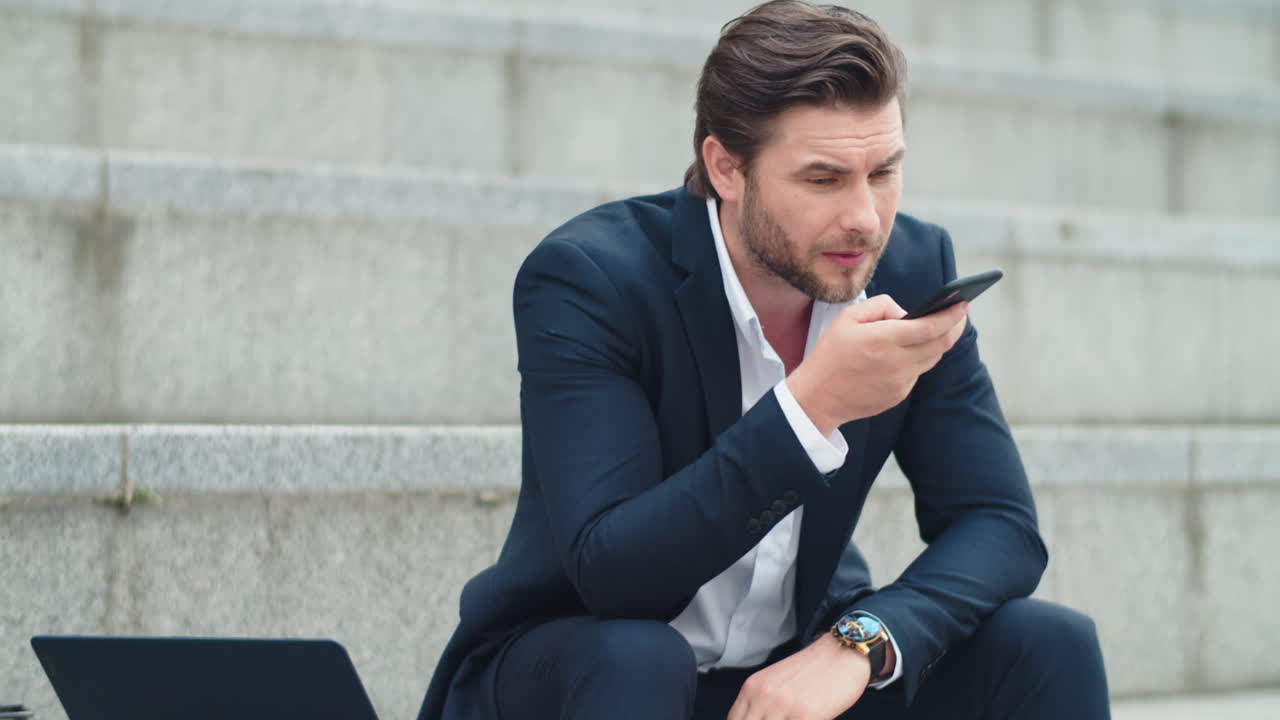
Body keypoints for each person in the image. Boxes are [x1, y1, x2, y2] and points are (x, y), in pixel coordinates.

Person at [417, 1, 1110, 718]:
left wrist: (862, 640)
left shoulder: (908, 266)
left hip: (784, 678)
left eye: (883, 172)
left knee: (1047, 643)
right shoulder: (593, 278)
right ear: (726, 167)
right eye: (822, 179)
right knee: (639, 657)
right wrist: (811, 409)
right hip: (588, 675)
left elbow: (999, 523)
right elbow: (615, 575)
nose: (866, 218)